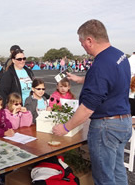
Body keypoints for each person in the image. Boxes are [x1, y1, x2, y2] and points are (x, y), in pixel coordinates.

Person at [52, 19, 132, 185]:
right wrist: (81, 79)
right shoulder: (119, 55)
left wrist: (65, 127)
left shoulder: (100, 64)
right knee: (118, 173)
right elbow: (110, 81)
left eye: (81, 42)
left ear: (89, 40)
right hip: (123, 122)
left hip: (106, 127)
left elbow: (88, 108)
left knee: (104, 178)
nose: (82, 45)